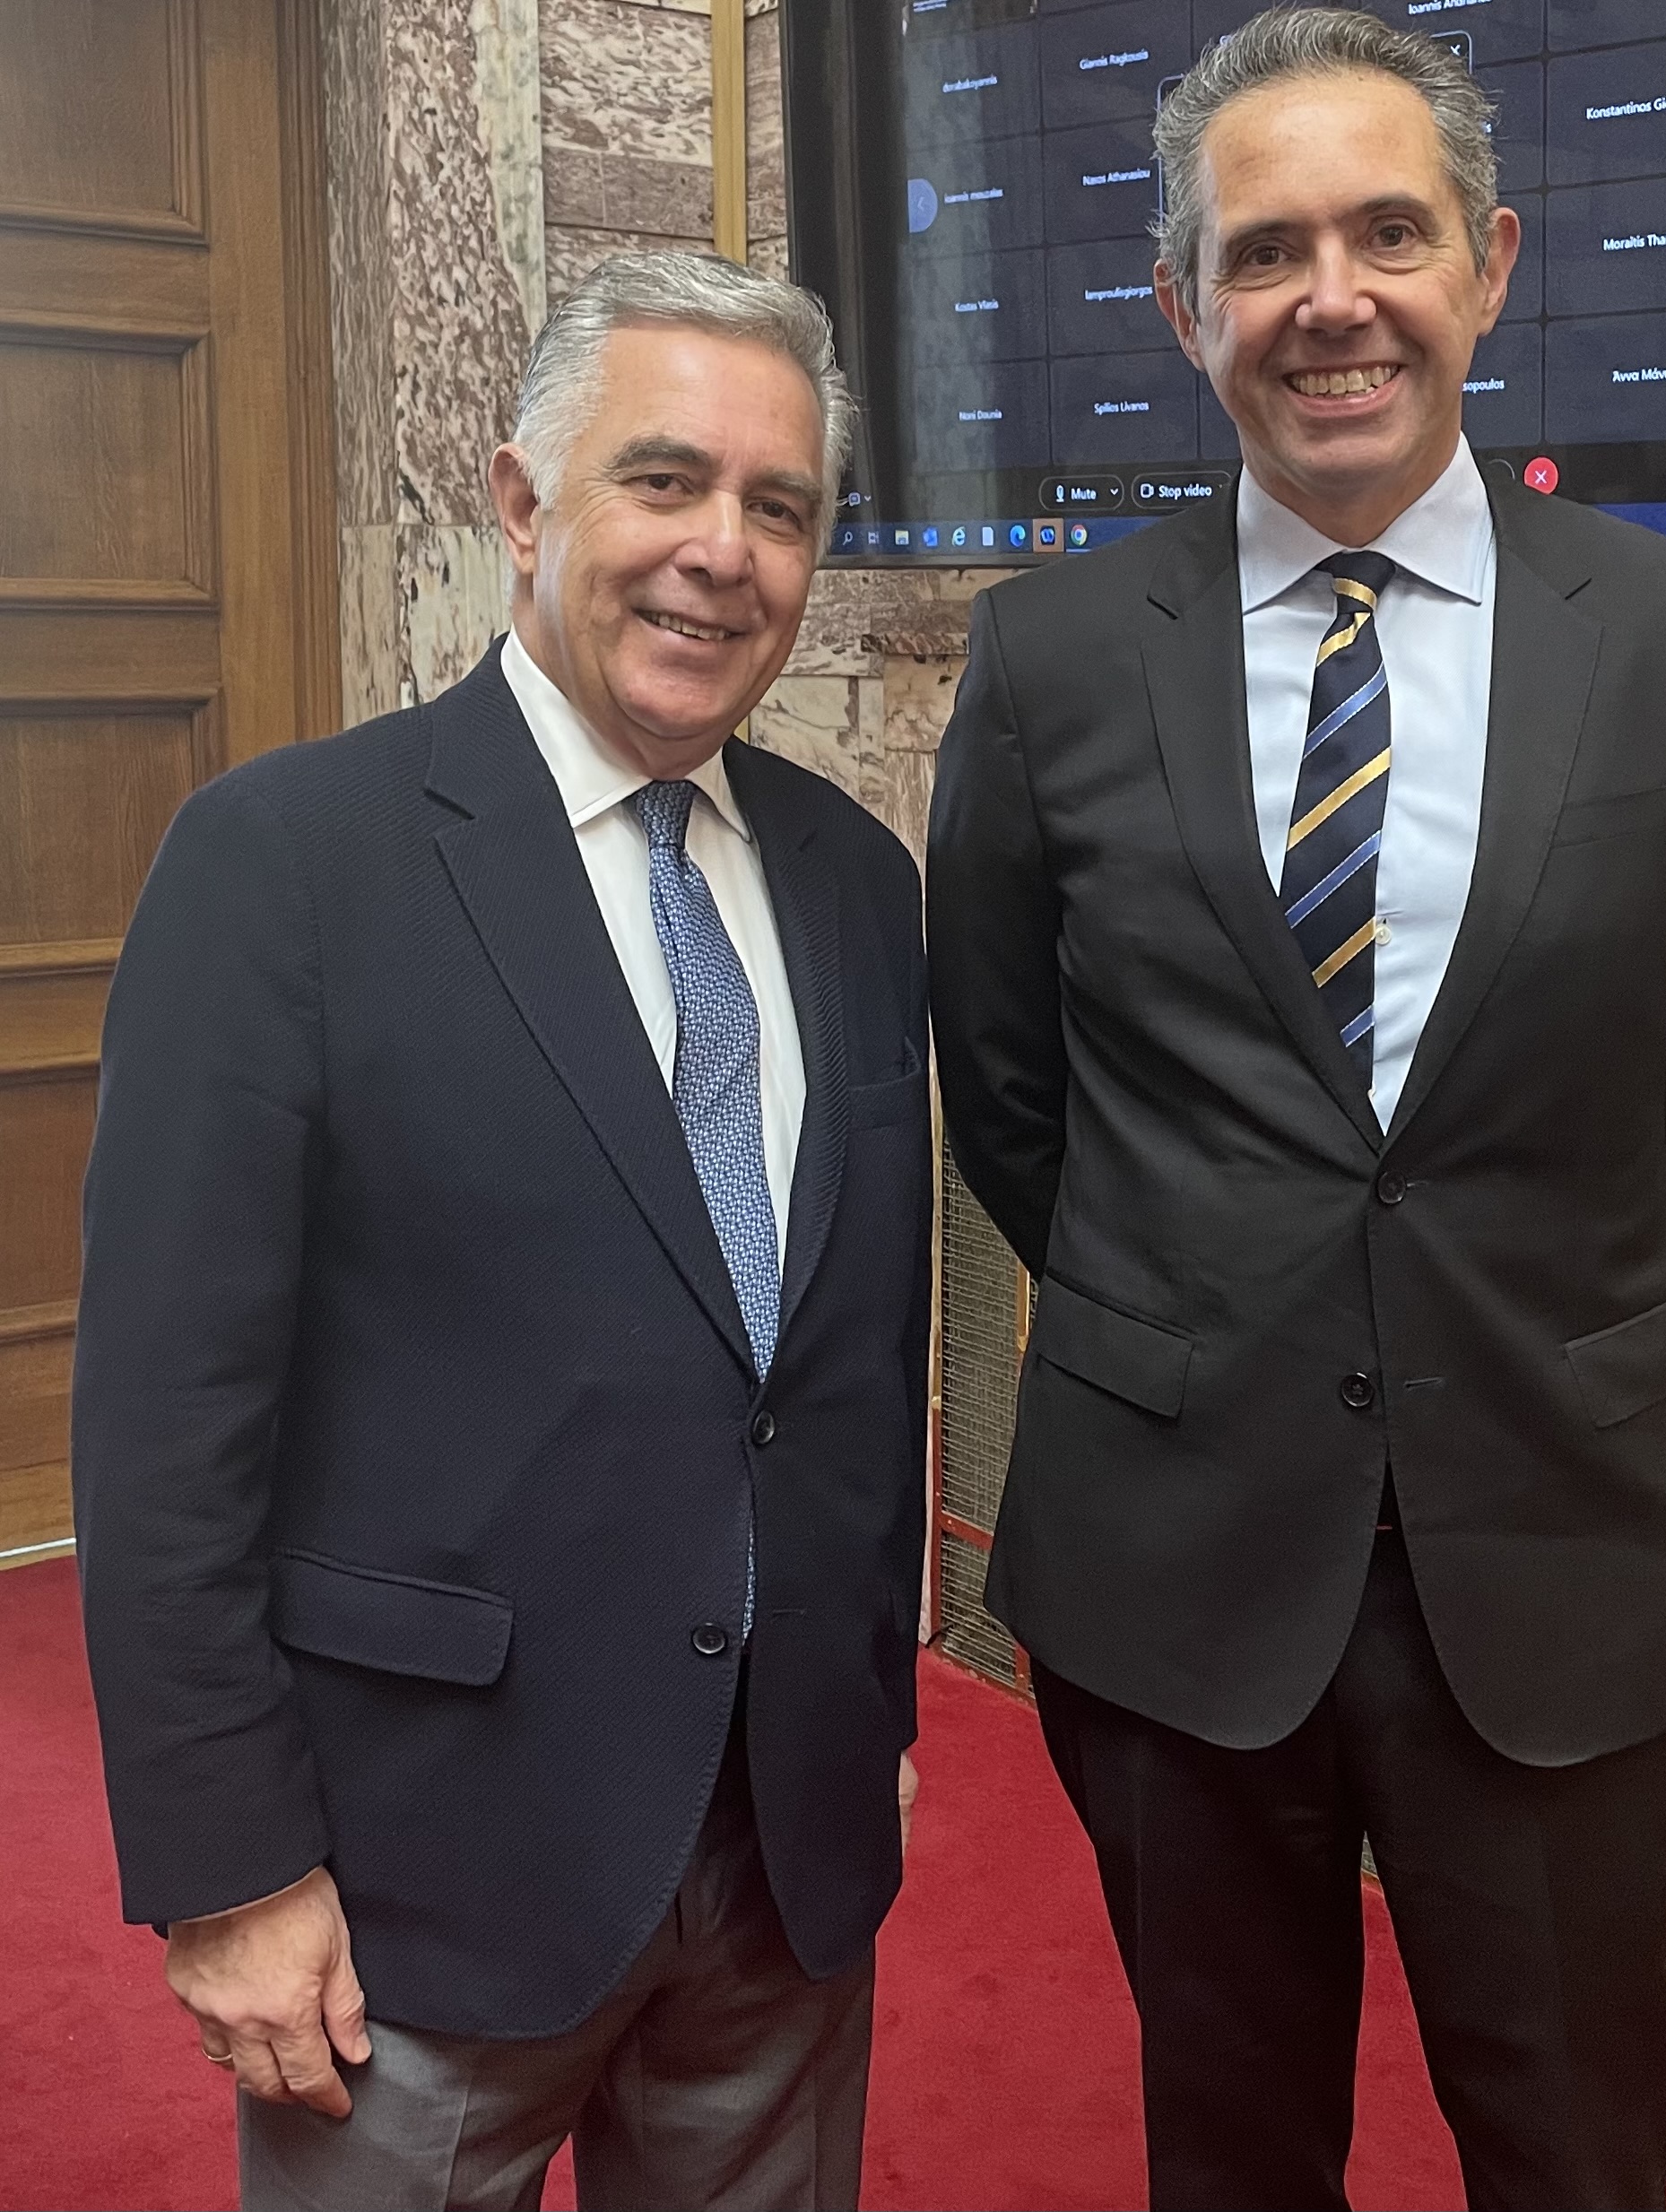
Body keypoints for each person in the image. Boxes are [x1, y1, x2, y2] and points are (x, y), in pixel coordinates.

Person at [925, 12, 1666, 2209]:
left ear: (1488, 266)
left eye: (1387, 234)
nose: (1330, 298)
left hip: (1554, 1554)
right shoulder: (1047, 658)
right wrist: (1209, 1309)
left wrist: (1531, 1332)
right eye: (1264, 252)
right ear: (1182, 306)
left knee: (1576, 2151)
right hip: (1173, 1561)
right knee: (1229, 2152)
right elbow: (1011, 1089)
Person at [73, 252, 930, 2212]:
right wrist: (226, 1866)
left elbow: (855, 1352)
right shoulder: (285, 863)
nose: (721, 553)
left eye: (779, 506)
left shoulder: (856, 883)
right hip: (418, 1881)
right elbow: (167, 1419)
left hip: (779, 1861)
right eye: (663, 480)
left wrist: (862, 1701)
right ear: (524, 504)